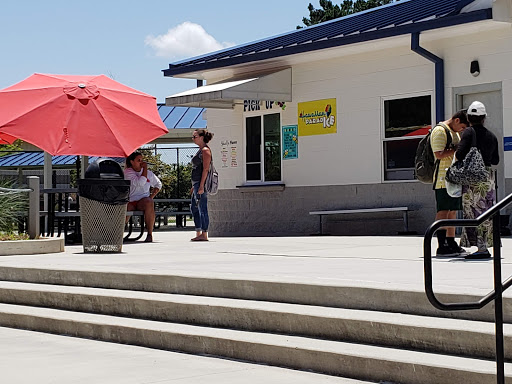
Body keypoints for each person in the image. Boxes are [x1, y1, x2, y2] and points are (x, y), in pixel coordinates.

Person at [455, 101, 499, 259]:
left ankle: (481, 249)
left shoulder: (468, 133)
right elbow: (495, 160)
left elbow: (459, 155)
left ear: (469, 118)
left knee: (472, 211)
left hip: (472, 178)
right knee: (487, 211)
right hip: (487, 178)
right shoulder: (492, 135)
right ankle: (485, 245)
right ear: (484, 118)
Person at [431, 110, 469, 256]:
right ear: (457, 120)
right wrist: (456, 149)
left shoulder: (455, 133)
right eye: (463, 127)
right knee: (443, 211)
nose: (463, 131)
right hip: (442, 179)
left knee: (452, 211)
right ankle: (441, 245)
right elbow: (438, 154)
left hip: (454, 178)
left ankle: (451, 241)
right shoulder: (441, 131)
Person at [124, 151, 162, 243]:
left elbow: (158, 184)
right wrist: (145, 169)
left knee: (149, 202)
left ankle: (149, 233)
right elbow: (140, 183)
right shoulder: (128, 172)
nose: (141, 162)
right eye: (138, 160)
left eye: (142, 160)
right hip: (131, 200)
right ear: (132, 162)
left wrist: (151, 196)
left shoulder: (148, 173)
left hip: (143, 200)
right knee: (126, 208)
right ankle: (118, 232)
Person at [190, 129, 213, 241]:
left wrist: (201, 186)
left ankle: (204, 233)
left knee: (202, 208)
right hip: (196, 183)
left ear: (201, 137)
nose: (193, 139)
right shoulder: (199, 150)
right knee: (194, 207)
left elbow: (205, 169)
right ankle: (198, 231)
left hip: (200, 183)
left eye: (195, 136)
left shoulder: (205, 151)